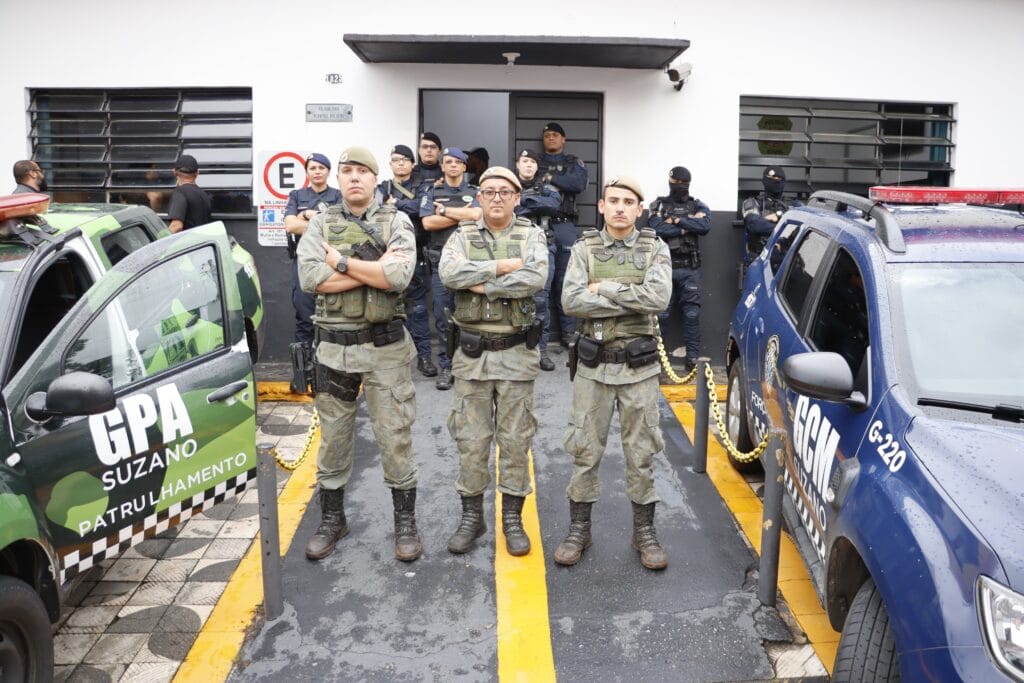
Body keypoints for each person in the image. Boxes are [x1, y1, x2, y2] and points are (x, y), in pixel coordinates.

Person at [297, 146, 422, 563]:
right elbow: (311, 279)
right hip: (334, 348)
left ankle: (405, 523)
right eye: (346, 171)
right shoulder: (321, 223)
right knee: (333, 439)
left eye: (361, 171)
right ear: (338, 178)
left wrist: (341, 262)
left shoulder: (397, 221)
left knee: (395, 436)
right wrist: (370, 270)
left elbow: (399, 275)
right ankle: (333, 519)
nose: (353, 178)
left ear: (374, 178)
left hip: (386, 348)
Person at [555, 175, 672, 571]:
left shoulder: (654, 248)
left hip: (638, 370)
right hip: (593, 367)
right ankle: (579, 530)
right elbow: (571, 301)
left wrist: (602, 287)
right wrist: (628, 296)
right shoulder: (583, 248)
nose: (620, 207)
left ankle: (644, 532)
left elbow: (658, 298)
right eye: (613, 200)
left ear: (640, 209)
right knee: (584, 450)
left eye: (629, 201)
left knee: (641, 453)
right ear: (601, 207)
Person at [439, 166, 548, 556]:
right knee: (471, 439)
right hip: (471, 355)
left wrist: (480, 282)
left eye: (505, 191)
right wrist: (502, 268)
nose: (497, 197)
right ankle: (472, 516)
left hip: (516, 354)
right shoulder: (462, 235)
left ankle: (512, 518)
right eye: (489, 191)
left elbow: (535, 277)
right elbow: (449, 273)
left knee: (516, 440)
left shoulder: (532, 236)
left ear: (517, 197)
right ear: (478, 197)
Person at [419, 147, 482, 391]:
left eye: (458, 162)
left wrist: (444, 210)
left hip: (470, 262)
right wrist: (462, 215)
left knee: (469, 315)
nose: (453, 165)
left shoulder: (474, 192)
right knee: (444, 316)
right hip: (440, 262)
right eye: (448, 162)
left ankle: (467, 363)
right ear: (442, 166)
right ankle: (447, 366)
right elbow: (427, 222)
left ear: (465, 167)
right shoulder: (431, 191)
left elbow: (478, 214)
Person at [284, 153, 343, 392]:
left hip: (330, 263)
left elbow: (339, 227)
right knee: (304, 319)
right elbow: (290, 225)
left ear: (328, 171)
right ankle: (303, 374)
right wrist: (320, 222)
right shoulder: (297, 195)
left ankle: (328, 372)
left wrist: (307, 216)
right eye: (312, 168)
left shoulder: (338, 196)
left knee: (333, 319)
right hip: (304, 264)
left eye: (321, 168)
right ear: (307, 172)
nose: (317, 172)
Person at [378, 144, 437, 378]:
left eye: (404, 160)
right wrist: (395, 205)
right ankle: (387, 360)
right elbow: (377, 208)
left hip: (417, 254)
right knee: (385, 309)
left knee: (419, 309)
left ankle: (424, 357)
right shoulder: (382, 187)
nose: (400, 163)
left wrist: (396, 204)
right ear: (390, 164)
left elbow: (422, 208)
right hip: (388, 254)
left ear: (413, 163)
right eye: (395, 160)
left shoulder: (424, 186)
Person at [647, 166, 711, 371]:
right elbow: (656, 228)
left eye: (682, 184)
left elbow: (705, 226)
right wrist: (688, 225)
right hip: (664, 268)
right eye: (676, 184)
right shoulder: (658, 205)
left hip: (690, 269)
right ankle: (657, 359)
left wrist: (677, 221)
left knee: (691, 314)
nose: (679, 187)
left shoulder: (698, 204)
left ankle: (691, 359)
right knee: (662, 315)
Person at [537, 122, 589, 347]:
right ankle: (541, 336)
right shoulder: (535, 162)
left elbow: (577, 183)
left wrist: (550, 179)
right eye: (547, 135)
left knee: (566, 281)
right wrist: (558, 183)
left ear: (563, 139)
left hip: (565, 226)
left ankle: (569, 334)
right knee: (541, 282)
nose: (550, 138)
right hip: (540, 226)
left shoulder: (573, 162)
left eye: (555, 135)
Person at [514, 148, 562, 371]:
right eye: (525, 161)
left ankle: (541, 352)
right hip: (515, 248)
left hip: (544, 247)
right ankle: (518, 349)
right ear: (517, 164)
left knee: (541, 301)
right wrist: (533, 201)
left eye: (532, 161)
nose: (529, 165)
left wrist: (524, 201)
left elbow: (552, 205)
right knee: (513, 296)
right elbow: (508, 210)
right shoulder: (507, 189)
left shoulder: (548, 189)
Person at [742, 165, 800, 264]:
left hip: (787, 261)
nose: (776, 181)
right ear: (764, 181)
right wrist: (786, 225)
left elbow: (803, 227)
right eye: (772, 179)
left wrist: (771, 219)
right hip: (759, 259)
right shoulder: (752, 202)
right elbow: (755, 225)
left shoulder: (794, 205)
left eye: (779, 179)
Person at [166, 154, 212, 233]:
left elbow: (176, 226)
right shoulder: (204, 195)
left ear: (174, 172)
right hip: (203, 243)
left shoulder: (180, 193)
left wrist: (159, 242)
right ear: (197, 173)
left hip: (187, 244)